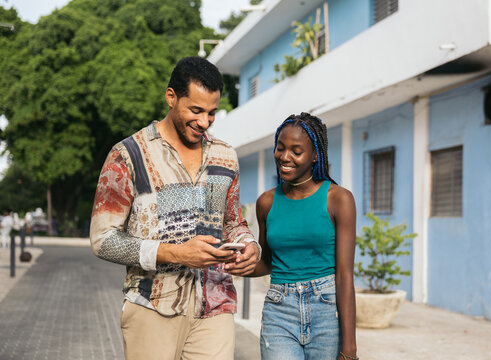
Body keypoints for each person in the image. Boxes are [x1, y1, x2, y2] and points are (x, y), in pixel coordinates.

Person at [90, 57, 261, 360]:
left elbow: (233, 222)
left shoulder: (225, 156)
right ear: (171, 97)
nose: (204, 122)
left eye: (212, 113)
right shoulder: (128, 155)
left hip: (215, 303)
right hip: (152, 305)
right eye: (195, 110)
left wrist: (250, 246)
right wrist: (176, 253)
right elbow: (103, 239)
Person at [229, 113, 358, 360]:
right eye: (280, 148)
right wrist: (235, 264)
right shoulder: (266, 202)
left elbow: (344, 275)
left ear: (315, 155)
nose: (284, 157)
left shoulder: (339, 199)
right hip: (280, 310)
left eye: (296, 151)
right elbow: (268, 262)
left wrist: (350, 348)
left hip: (327, 310)